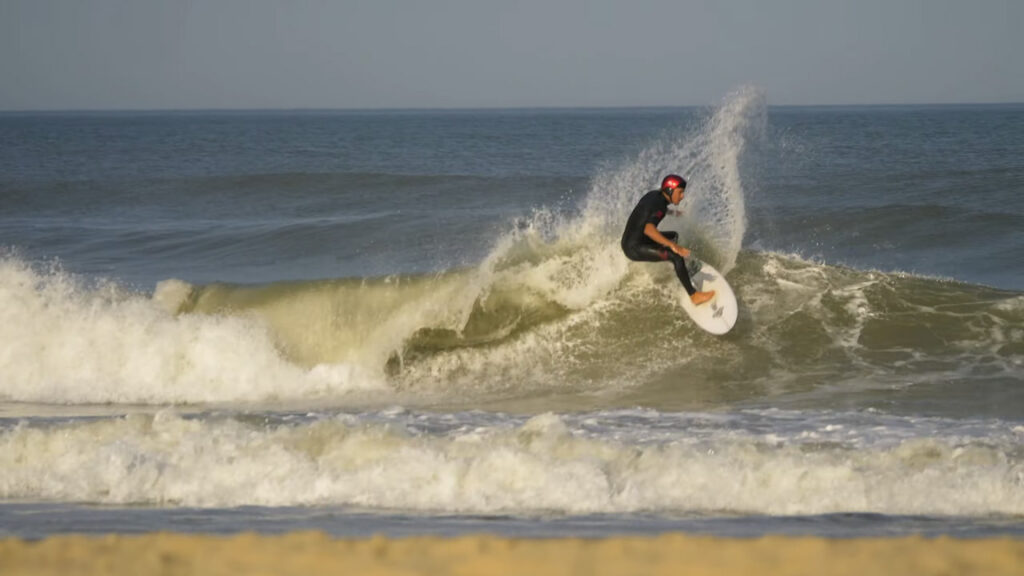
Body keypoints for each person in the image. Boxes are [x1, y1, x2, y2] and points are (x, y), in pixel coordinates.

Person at [621, 174, 715, 306]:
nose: (682, 196)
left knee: (673, 236)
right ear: (670, 191)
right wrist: (673, 246)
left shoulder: (655, 195)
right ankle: (694, 296)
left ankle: (679, 269)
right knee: (675, 256)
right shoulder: (659, 205)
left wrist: (673, 213)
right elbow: (649, 228)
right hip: (634, 247)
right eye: (680, 192)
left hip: (634, 238)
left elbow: (652, 209)